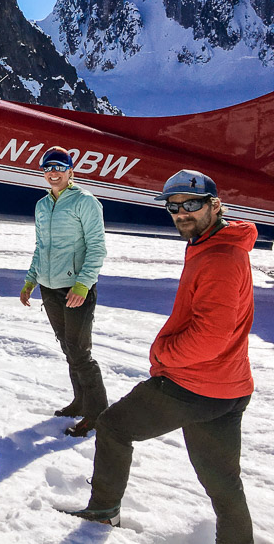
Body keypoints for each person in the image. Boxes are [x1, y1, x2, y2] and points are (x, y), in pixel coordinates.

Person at [66, 170, 256, 539]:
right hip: (227, 387)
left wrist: (163, 354)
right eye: (174, 206)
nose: (182, 212)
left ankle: (103, 511)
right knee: (223, 484)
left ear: (214, 205)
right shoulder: (215, 245)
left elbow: (210, 337)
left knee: (113, 427)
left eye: (192, 204)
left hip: (193, 385)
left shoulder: (219, 257)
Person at [20, 146, 108, 437]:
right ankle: (81, 402)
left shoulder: (86, 202)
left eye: (59, 166)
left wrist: (82, 285)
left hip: (76, 288)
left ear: (71, 171)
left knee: (80, 352)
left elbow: (97, 248)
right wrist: (30, 281)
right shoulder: (42, 205)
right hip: (49, 286)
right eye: (47, 167)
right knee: (68, 347)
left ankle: (97, 414)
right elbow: (40, 247)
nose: (53, 172)